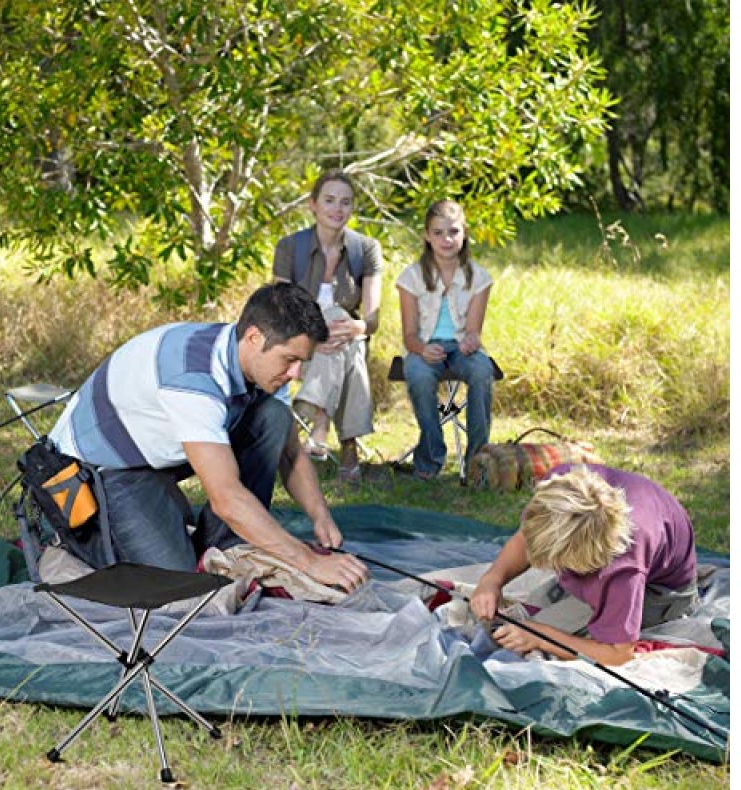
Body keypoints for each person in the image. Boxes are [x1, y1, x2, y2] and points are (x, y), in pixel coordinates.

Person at [48, 283, 368, 593]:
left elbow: (291, 453)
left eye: (302, 362)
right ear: (254, 338)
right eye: (290, 360)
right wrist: (309, 562)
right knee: (180, 585)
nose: (296, 374)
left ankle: (229, 542)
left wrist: (321, 517)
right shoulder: (194, 377)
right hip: (102, 470)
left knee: (274, 416)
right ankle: (83, 538)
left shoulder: (260, 363)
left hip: (160, 450)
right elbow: (225, 497)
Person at [470, 464, 698, 666]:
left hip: (663, 592)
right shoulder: (558, 489)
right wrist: (492, 580)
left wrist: (541, 636)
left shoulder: (623, 568)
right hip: (619, 555)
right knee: (523, 622)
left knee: (536, 631)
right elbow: (525, 538)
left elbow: (618, 654)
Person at [273, 170, 383, 483]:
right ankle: (348, 454)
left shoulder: (366, 249)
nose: (338, 209)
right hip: (300, 339)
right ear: (313, 205)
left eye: (346, 202)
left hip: (347, 339)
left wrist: (356, 329)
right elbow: (281, 310)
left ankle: (311, 413)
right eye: (330, 200)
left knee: (341, 326)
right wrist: (312, 340)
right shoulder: (290, 247)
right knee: (342, 336)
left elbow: (372, 319)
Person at [396, 199, 495, 480]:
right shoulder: (411, 277)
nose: (446, 239)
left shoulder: (479, 277)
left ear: (464, 233)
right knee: (418, 374)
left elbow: (474, 331)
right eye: (438, 233)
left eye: (453, 232)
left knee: (481, 370)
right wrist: (422, 350)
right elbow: (409, 335)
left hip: (461, 348)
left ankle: (478, 460)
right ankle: (429, 457)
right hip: (424, 347)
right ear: (427, 236)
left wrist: (470, 343)